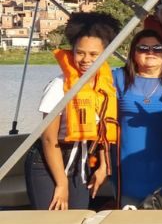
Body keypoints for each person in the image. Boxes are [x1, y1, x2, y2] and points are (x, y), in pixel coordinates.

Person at [25, 12, 120, 210]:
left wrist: (103, 165)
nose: (86, 59)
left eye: (94, 54)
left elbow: (102, 131)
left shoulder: (105, 86)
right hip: (47, 163)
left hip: (80, 163)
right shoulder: (58, 86)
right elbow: (49, 140)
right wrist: (61, 184)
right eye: (80, 52)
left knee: (79, 219)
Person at [112, 30, 162, 207]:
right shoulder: (118, 78)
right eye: (143, 48)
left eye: (157, 48)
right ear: (133, 52)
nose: (151, 52)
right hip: (128, 170)